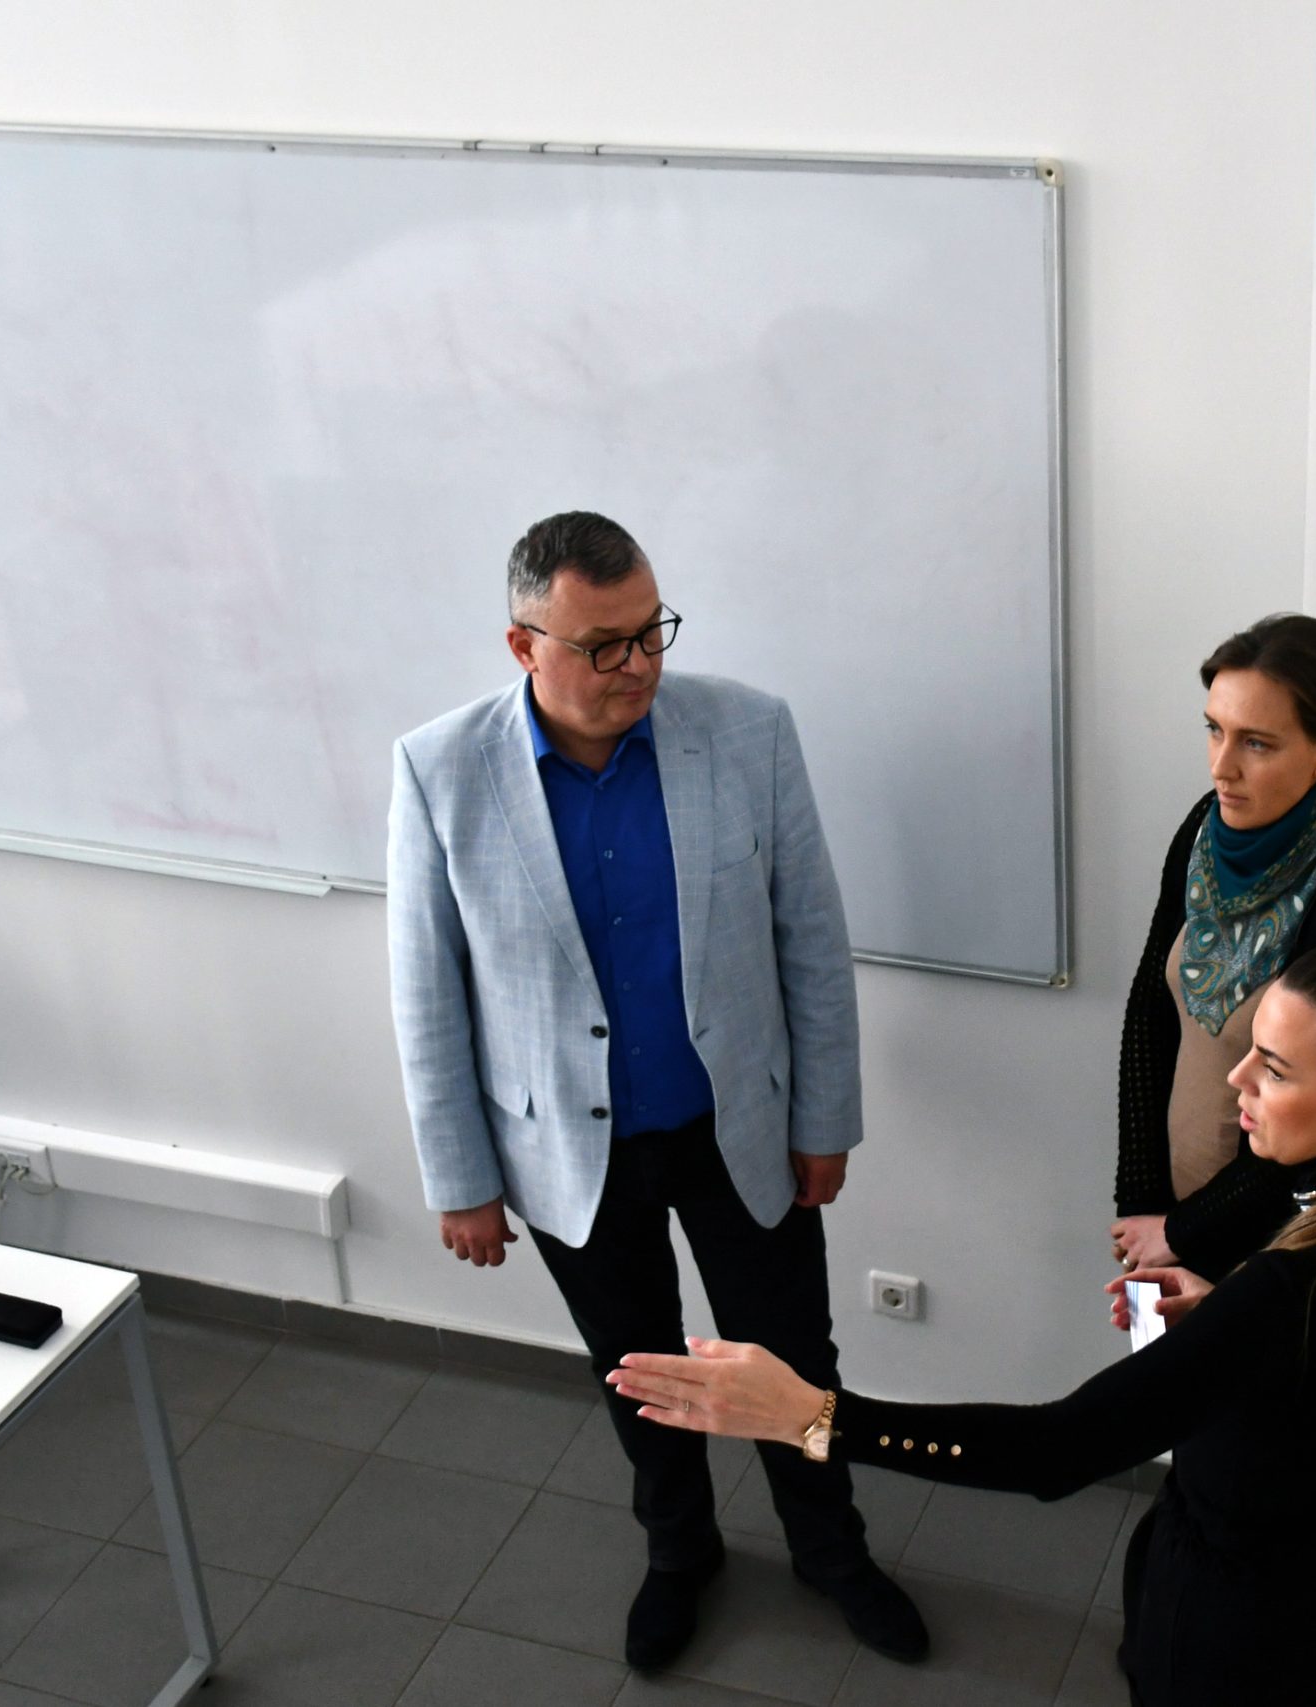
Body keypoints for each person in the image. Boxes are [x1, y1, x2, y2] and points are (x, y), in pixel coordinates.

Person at [611, 933, 1316, 1707]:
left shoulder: (1287, 1290)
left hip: (1257, 1634)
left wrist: (810, 1416)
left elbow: (1056, 1451)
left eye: (1273, 1068)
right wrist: (1230, 1329)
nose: (1237, 1077)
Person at [386, 511, 926, 1670]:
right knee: (635, 1370)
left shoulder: (747, 731)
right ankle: (681, 1553)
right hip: (568, 1152)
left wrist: (824, 1120)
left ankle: (830, 1550)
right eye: (603, 646)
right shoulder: (440, 769)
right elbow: (426, 993)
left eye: (650, 633)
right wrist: (461, 1180)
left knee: (794, 1361)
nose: (636, 666)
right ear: (523, 645)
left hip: (740, 1127)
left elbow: (810, 941)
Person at [1112, 614, 1316, 1283]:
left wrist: (1184, 1231)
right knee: (1154, 1357)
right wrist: (1140, 1199)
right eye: (1214, 730)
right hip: (1166, 1219)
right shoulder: (1204, 828)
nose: (1223, 767)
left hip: (1274, 1244)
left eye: (1256, 743)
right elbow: (1150, 1008)